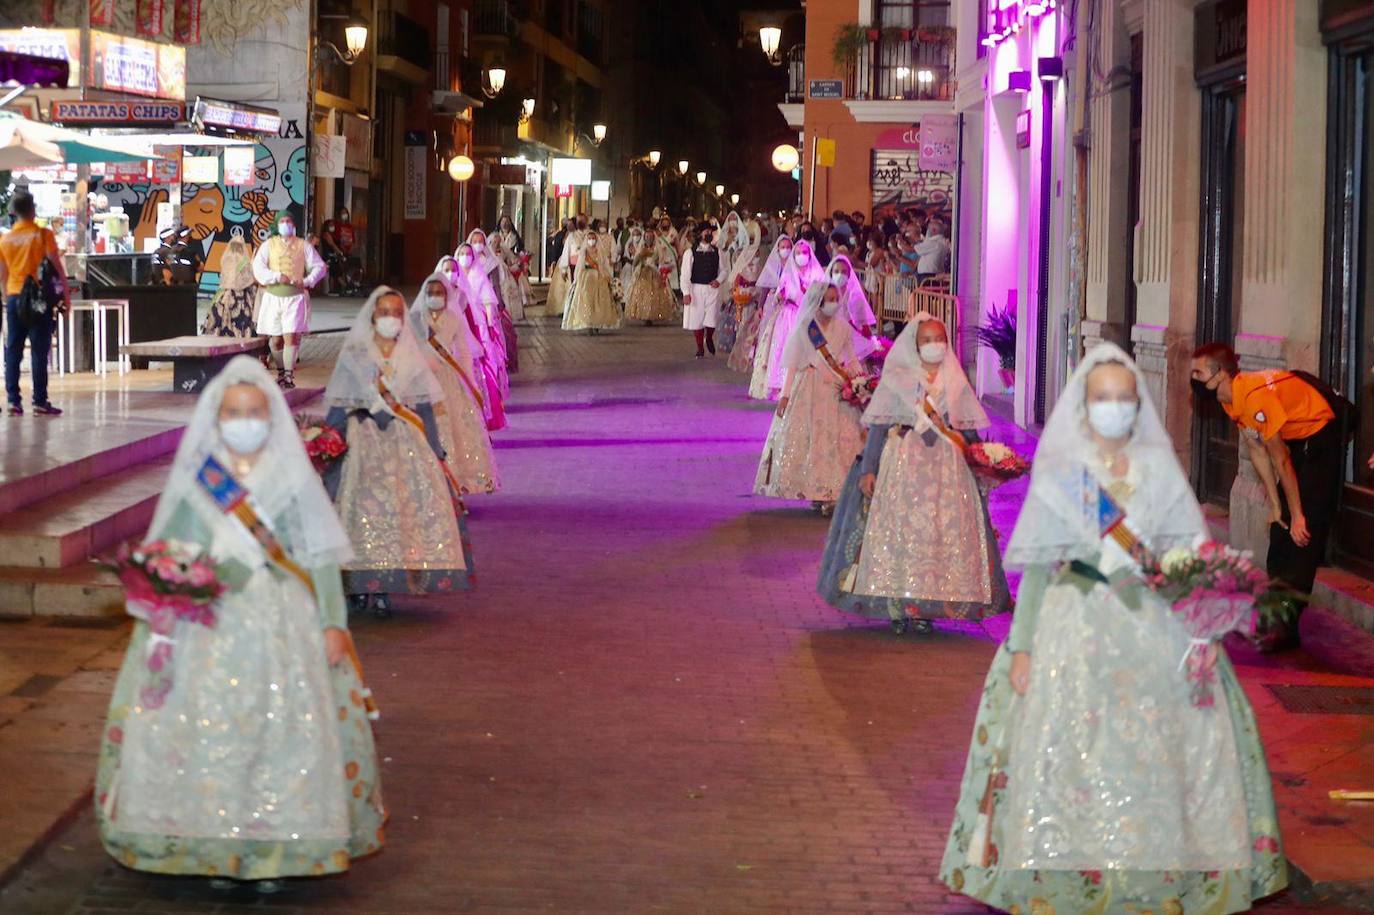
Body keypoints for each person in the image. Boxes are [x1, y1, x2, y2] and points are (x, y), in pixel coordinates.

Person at [941, 343, 1287, 914]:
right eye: (1103, 399)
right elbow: (1042, 570)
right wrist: (1022, 647)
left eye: (1125, 399)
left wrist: (1205, 617)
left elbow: (1187, 552)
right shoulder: (1066, 477)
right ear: (1083, 405)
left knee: (1151, 752)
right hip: (1073, 629)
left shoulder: (1157, 469)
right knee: (1072, 753)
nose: (1114, 408)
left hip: (1152, 627)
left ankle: (1147, 872)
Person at [95, 356, 385, 888]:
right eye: (234, 412)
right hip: (210, 622)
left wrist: (332, 622)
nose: (244, 420)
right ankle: (214, 843)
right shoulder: (202, 479)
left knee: (280, 735)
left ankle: (277, 846)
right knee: (210, 732)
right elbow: (174, 548)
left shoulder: (291, 478)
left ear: (271, 418)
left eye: (254, 411)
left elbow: (317, 558)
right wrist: (165, 592)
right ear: (217, 417)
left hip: (282, 623)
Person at [817, 314, 1009, 634]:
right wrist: (868, 470)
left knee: (936, 537)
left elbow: (967, 428)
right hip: (904, 464)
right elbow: (879, 426)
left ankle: (926, 607)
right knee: (901, 534)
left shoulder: (955, 379)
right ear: (914, 345)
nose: (935, 346)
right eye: (927, 340)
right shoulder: (900, 378)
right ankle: (898, 604)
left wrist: (987, 461)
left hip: (946, 471)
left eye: (940, 339)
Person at [322, 287, 474, 616]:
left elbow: (423, 407)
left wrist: (437, 452)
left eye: (397, 313)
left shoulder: (411, 356)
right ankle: (356, 584)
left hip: (402, 446)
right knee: (358, 514)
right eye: (385, 312)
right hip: (361, 442)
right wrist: (327, 442)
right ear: (373, 317)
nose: (391, 319)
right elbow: (340, 401)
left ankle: (385, 585)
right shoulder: (356, 354)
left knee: (396, 516)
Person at [1190, 343, 1342, 650]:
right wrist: (1276, 507)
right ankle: (1278, 618)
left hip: (1319, 436)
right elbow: (1258, 452)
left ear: (1219, 374)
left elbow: (1281, 459)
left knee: (1302, 534)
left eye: (1198, 372)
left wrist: (1298, 515)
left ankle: (1285, 624)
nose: (1192, 378)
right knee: (1281, 528)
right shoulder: (1231, 399)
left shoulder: (1252, 397)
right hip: (1296, 441)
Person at [754, 281, 874, 509]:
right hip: (809, 387)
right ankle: (815, 490)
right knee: (813, 440)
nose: (833, 303)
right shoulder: (806, 328)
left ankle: (832, 492)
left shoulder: (843, 328)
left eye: (835, 299)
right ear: (818, 302)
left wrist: (861, 384)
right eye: (829, 299)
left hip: (837, 389)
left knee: (839, 441)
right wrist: (785, 396)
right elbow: (792, 365)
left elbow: (851, 358)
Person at [410, 274, 500, 494]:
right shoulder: (415, 319)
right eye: (430, 293)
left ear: (446, 295)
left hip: (449, 379)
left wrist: (469, 382)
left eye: (438, 293)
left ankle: (454, 482)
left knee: (454, 427)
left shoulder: (453, 318)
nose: (434, 297)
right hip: (422, 380)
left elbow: (465, 354)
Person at [0, 191, 69, 416]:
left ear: (13, 212)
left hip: (14, 297)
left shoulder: (5, 239)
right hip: (39, 299)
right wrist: (65, 296)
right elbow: (58, 268)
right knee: (40, 350)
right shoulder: (43, 235)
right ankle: (39, 401)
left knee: (13, 349)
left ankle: (13, 401)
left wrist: (6, 296)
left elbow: (2, 273)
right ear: (33, 210)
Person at [252, 212, 326, 390]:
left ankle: (288, 375)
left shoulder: (303, 245)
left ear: (294, 224)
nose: (286, 224)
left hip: (294, 298)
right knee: (276, 340)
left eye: (289, 221)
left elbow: (320, 266)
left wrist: (307, 281)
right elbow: (258, 267)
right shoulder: (268, 245)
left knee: (291, 336)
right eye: (283, 221)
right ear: (277, 225)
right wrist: (275, 276)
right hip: (272, 298)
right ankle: (280, 372)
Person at [439, 255, 505, 432]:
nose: (450, 274)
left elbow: (470, 323)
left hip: (460, 346)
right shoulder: (435, 294)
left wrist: (478, 345)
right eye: (446, 270)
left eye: (453, 270)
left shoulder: (462, 294)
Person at [761, 239, 825, 398]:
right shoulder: (788, 273)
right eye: (798, 253)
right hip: (789, 316)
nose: (801, 256)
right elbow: (778, 296)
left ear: (810, 255)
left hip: (809, 318)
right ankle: (782, 386)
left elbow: (822, 297)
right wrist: (781, 296)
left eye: (805, 253)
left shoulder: (817, 274)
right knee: (784, 348)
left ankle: (804, 387)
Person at [454, 244, 511, 399]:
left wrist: (491, 323)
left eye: (468, 253)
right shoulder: (454, 276)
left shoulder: (479, 276)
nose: (465, 257)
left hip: (478, 322)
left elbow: (488, 301)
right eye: (462, 253)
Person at [463, 229, 519, 372]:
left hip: (486, 305)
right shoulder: (464, 259)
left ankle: (490, 368)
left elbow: (495, 285)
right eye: (474, 242)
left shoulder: (491, 262)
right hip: (467, 306)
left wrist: (498, 304)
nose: (477, 245)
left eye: (480, 242)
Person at [735, 234, 791, 377]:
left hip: (789, 307)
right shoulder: (772, 266)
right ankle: (765, 367)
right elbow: (765, 287)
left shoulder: (794, 267)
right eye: (783, 247)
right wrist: (760, 307)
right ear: (777, 249)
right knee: (767, 335)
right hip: (771, 305)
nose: (786, 250)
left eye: (788, 247)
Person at [680, 223, 727, 358]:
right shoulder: (690, 252)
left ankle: (710, 337)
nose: (709, 234)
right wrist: (686, 293)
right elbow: (685, 274)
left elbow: (724, 270)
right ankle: (700, 348)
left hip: (712, 289)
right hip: (696, 288)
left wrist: (718, 280)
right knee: (697, 319)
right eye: (706, 232)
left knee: (712, 318)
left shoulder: (718, 252)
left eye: (710, 232)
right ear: (700, 234)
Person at [562, 230, 621, 333]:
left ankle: (597, 322)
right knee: (587, 299)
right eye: (589, 239)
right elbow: (580, 266)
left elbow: (604, 264)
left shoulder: (600, 251)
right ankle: (588, 322)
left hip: (599, 277)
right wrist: (577, 278)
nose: (591, 241)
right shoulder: (584, 251)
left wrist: (607, 276)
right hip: (586, 277)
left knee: (599, 300)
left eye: (593, 238)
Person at [200, 235, 257, 338]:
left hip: (224, 295)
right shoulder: (245, 261)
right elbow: (248, 280)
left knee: (220, 319)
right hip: (241, 297)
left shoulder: (225, 259)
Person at [624, 229, 677, 324]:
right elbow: (635, 263)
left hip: (654, 273)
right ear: (644, 238)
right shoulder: (641, 247)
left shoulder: (657, 248)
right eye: (647, 237)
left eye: (651, 237)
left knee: (655, 293)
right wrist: (640, 255)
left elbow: (662, 260)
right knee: (643, 294)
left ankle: (652, 314)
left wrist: (656, 264)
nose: (649, 239)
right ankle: (644, 315)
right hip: (643, 273)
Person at [824, 254, 877, 337]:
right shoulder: (824, 295)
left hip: (851, 337)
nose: (840, 275)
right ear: (831, 273)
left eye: (844, 272)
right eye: (836, 271)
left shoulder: (855, 296)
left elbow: (863, 326)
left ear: (849, 275)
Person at [914, 219, 950, 283]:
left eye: (928, 229)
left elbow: (917, 249)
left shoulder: (935, 243)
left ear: (934, 230)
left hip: (929, 276)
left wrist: (914, 237)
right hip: (930, 275)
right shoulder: (940, 241)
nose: (927, 231)